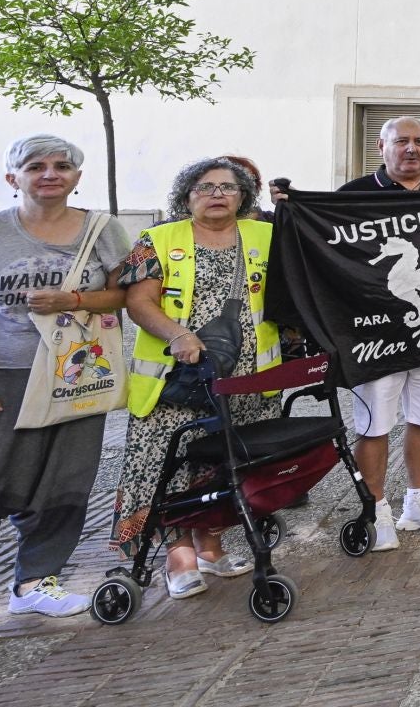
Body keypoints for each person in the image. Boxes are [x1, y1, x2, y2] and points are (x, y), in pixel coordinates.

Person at [0, 136, 132, 662]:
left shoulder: (103, 231)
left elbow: (123, 294)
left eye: (62, 166)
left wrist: (73, 299)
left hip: (78, 376)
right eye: (35, 167)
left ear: (77, 177)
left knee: (65, 483)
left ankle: (36, 581)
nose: (50, 174)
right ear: (12, 177)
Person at [113, 158, 280, 599]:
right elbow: (138, 302)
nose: (217, 194)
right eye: (204, 187)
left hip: (244, 379)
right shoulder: (158, 239)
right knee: (165, 468)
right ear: (186, 197)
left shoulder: (268, 235)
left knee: (222, 465)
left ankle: (210, 545)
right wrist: (179, 334)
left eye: (228, 187)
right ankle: (178, 555)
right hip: (175, 379)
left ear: (244, 196)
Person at [334, 116, 420, 551]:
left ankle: (417, 502)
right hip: (375, 336)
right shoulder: (351, 197)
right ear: (381, 146)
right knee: (374, 425)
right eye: (402, 141)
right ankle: (376, 511)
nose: (412, 149)